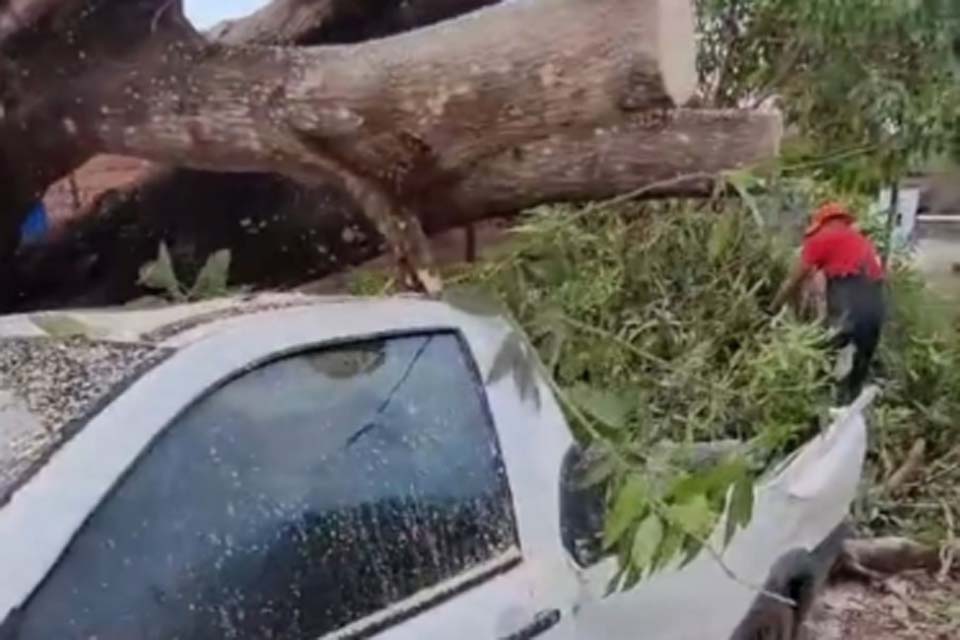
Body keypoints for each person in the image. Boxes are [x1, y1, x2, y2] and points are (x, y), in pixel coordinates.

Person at [772, 202, 886, 404]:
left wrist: (774, 307)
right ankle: (850, 400)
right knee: (861, 360)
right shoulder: (861, 241)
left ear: (821, 223)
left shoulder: (820, 239)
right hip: (876, 301)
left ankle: (818, 401)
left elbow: (794, 280)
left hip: (849, 299)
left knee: (827, 352)